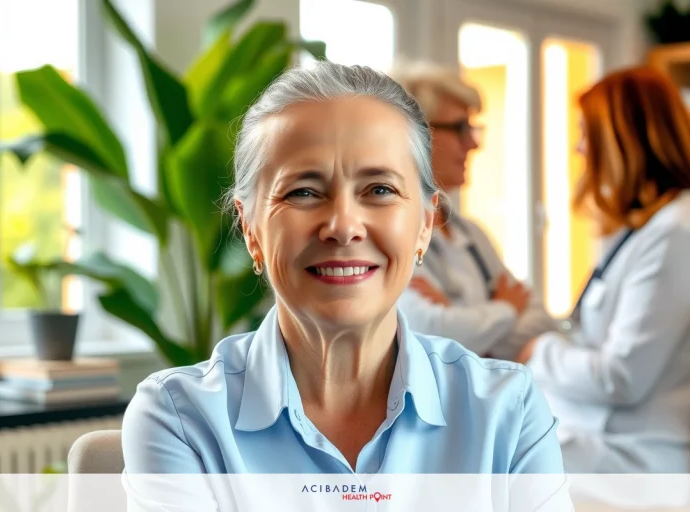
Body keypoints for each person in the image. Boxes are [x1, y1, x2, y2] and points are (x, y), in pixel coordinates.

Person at [120, 63, 565, 506]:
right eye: (303, 192)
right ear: (250, 229)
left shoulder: (507, 410)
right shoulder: (181, 418)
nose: (343, 226)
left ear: (425, 224)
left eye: (379, 189)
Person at [516, 66, 690, 473]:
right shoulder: (650, 225)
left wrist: (537, 352)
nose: (579, 148)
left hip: (635, 462)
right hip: (602, 438)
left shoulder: (679, 233)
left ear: (621, 141)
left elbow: (620, 378)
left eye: (586, 133)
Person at [391, 63, 557, 360]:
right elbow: (427, 330)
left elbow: (541, 320)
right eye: (460, 128)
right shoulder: (391, 231)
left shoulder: (471, 234)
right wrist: (506, 309)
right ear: (415, 135)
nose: (474, 144)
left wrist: (465, 325)